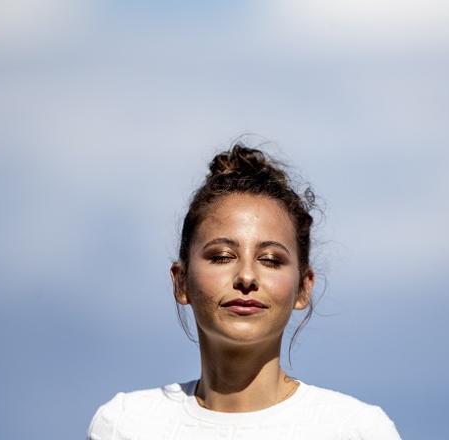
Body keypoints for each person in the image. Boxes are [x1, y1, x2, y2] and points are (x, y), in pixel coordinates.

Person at [87, 143, 402, 439]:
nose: (247, 276)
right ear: (181, 282)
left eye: (270, 260)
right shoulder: (126, 424)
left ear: (304, 288)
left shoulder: (355, 429)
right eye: (222, 256)